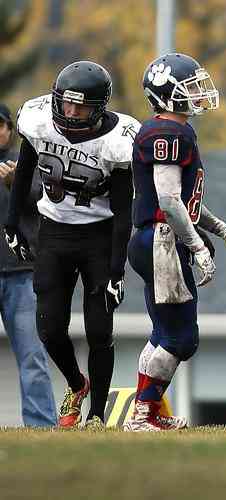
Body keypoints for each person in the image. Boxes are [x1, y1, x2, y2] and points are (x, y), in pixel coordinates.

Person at [4, 61, 140, 429]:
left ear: (98, 108)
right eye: (65, 103)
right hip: (54, 231)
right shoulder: (37, 121)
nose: (70, 112)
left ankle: (96, 415)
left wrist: (116, 270)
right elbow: (24, 171)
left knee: (99, 330)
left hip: (100, 235)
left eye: (80, 106)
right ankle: (77, 385)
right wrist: (12, 222)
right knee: (48, 329)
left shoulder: (118, 140)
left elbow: (123, 210)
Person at [124, 53, 226, 432]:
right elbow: (168, 200)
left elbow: (186, 201)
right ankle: (143, 413)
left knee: (164, 333)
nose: (198, 93)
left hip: (156, 238)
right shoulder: (167, 132)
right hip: (162, 241)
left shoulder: (179, 131)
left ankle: (151, 411)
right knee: (182, 338)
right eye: (189, 86)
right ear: (166, 94)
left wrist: (224, 232)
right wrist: (196, 246)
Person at [0, 103, 57, 427]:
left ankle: (41, 425)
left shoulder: (27, 162)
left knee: (32, 357)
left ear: (10, 129)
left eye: (0, 125)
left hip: (22, 274)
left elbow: (48, 202)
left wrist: (14, 183)